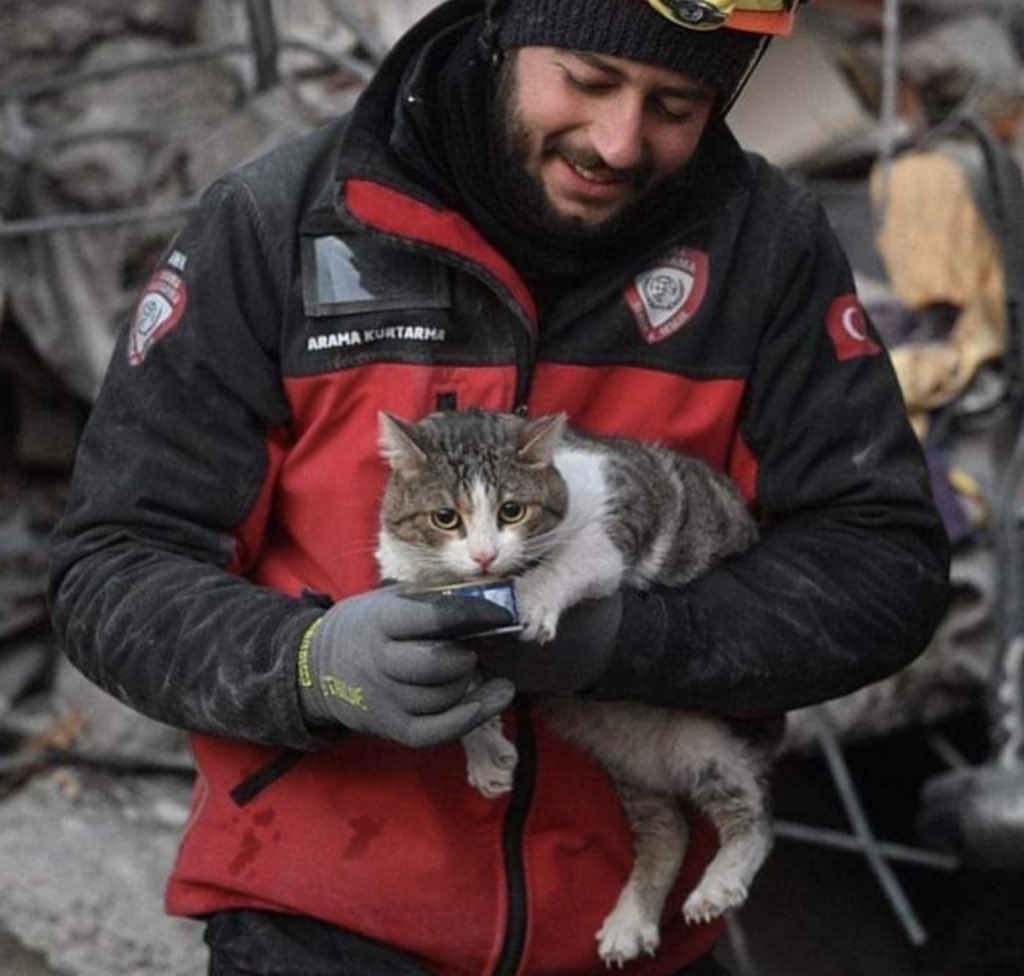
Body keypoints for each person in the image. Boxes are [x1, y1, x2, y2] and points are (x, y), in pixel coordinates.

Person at [48, 0, 951, 973]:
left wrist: (635, 639)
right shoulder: (281, 224)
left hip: (632, 933)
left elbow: (882, 564)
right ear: (502, 32)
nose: (616, 141)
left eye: (677, 103)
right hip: (319, 921)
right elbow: (112, 564)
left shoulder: (764, 251)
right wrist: (310, 665)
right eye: (589, 80)